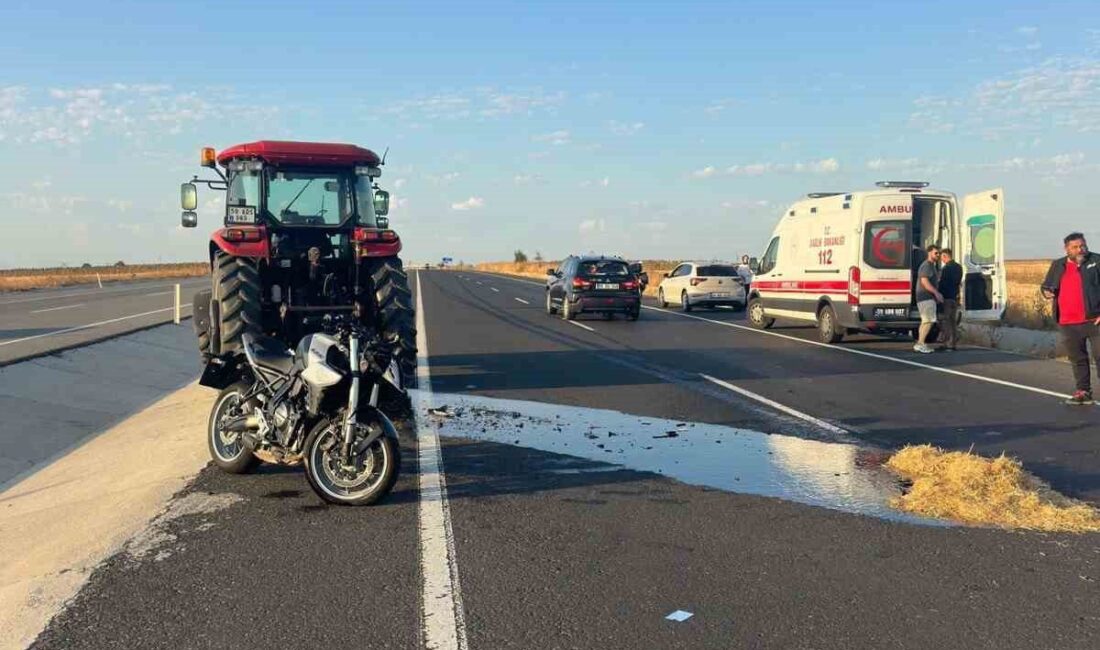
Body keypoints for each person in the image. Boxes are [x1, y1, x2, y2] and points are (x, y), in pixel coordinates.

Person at [1041, 232, 1100, 405]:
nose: (1081, 249)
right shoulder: (1058, 265)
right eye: (1075, 247)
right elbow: (1046, 285)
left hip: (1094, 321)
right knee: (1078, 359)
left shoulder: (1096, 261)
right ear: (1067, 249)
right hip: (1067, 322)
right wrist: (1046, 292)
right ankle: (1083, 391)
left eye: (1083, 245)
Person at [913, 245, 943, 354]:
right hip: (926, 297)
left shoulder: (931, 266)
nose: (938, 255)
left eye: (939, 253)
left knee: (925, 321)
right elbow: (924, 282)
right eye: (936, 253)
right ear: (929, 253)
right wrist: (936, 293)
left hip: (925, 297)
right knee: (929, 320)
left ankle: (920, 343)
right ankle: (920, 343)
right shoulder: (927, 265)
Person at [937, 248, 963, 351]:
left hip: (947, 297)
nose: (941, 260)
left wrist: (939, 295)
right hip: (955, 297)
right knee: (953, 321)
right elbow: (958, 281)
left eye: (942, 257)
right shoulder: (959, 267)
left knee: (946, 320)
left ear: (945, 256)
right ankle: (953, 344)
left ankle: (946, 343)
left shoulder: (946, 269)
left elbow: (943, 284)